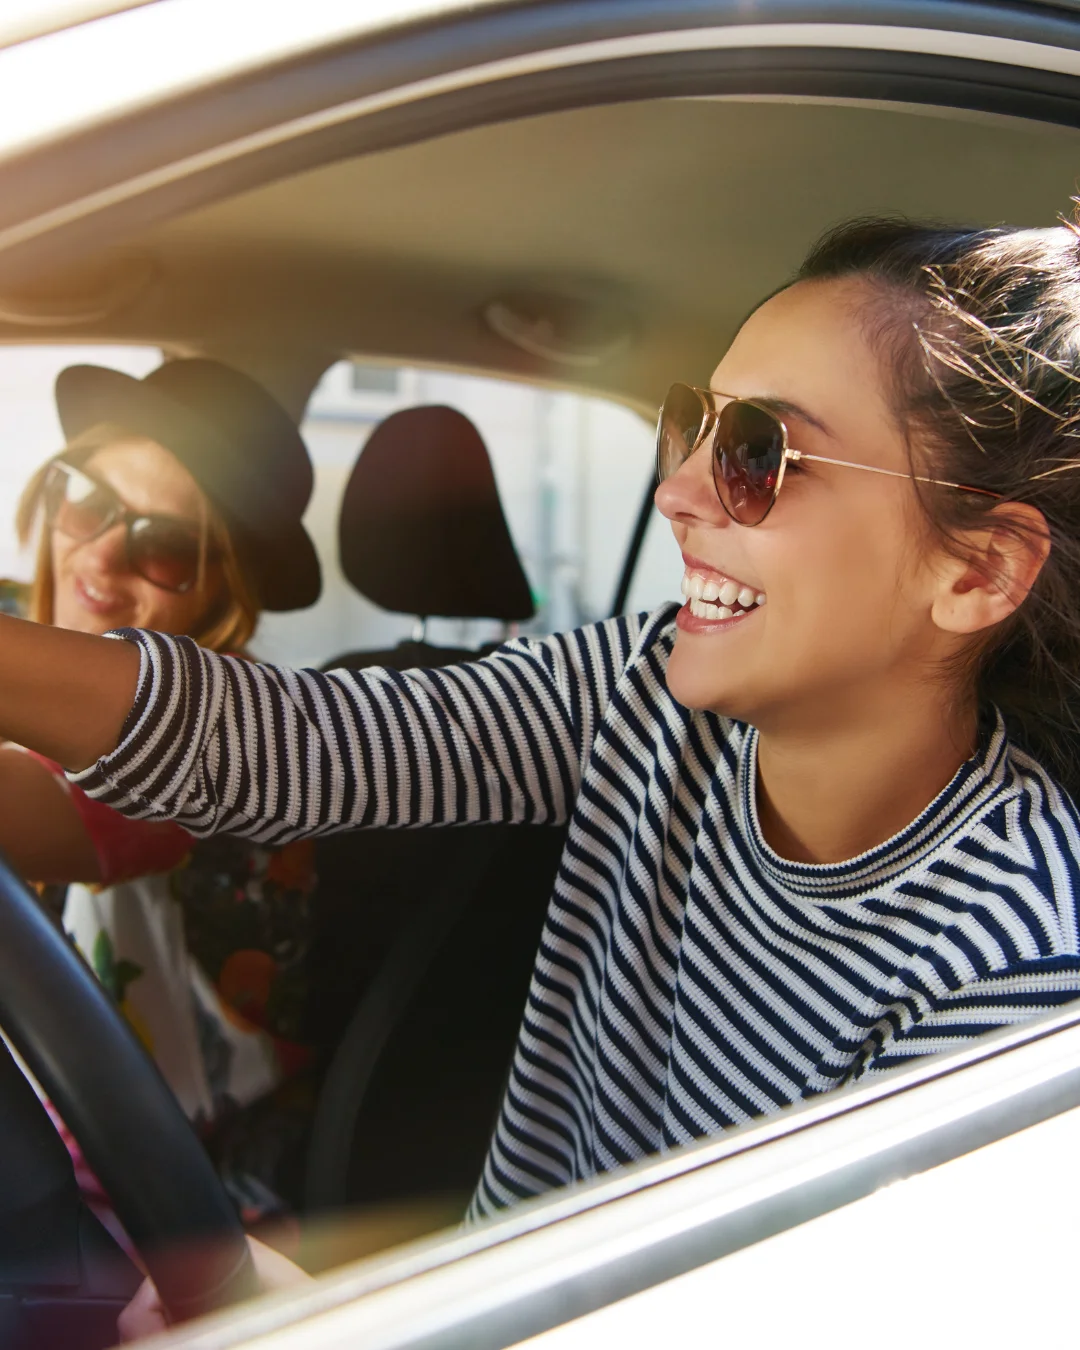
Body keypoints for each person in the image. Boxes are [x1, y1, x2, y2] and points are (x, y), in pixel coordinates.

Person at [8, 215, 1080, 1322]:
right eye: (689, 426)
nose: (680, 491)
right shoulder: (642, 686)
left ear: (979, 569)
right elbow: (298, 742)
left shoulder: (1015, 975)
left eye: (759, 452)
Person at [0, 358, 322, 1216]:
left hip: (159, 1214)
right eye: (88, 502)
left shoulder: (225, 745)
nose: (100, 557)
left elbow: (22, 813)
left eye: (164, 546)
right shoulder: (29, 630)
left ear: (222, 595)